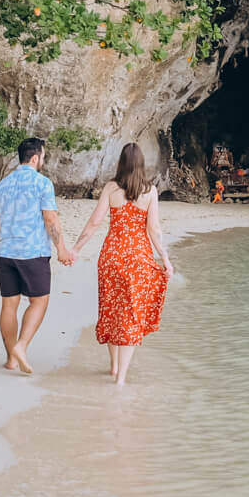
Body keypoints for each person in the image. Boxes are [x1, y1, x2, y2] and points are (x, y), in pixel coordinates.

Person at [70, 143, 173, 386]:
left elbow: (95, 221)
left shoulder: (111, 188)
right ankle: (121, 378)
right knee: (130, 315)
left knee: (112, 309)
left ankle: (114, 367)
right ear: (141, 164)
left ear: (121, 162)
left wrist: (76, 249)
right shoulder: (150, 192)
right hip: (137, 258)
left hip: (111, 256)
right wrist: (165, 259)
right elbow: (154, 230)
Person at [0, 137, 75, 374]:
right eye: (43, 156)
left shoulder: (2, 186)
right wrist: (61, 250)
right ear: (35, 158)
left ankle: (11, 360)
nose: (43, 160)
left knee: (9, 304)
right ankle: (22, 346)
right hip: (33, 252)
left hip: (6, 252)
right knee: (39, 301)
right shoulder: (42, 183)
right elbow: (50, 218)